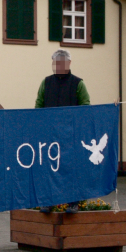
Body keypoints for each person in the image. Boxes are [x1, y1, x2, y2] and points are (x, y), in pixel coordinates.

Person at [35, 49, 91, 213]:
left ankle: (73, 203)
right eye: (56, 63)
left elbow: (85, 108)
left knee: (71, 170)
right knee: (50, 169)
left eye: (62, 63)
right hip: (50, 136)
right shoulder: (45, 83)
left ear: (69, 64)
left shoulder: (78, 84)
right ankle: (49, 201)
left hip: (71, 136)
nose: (58, 66)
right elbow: (38, 105)